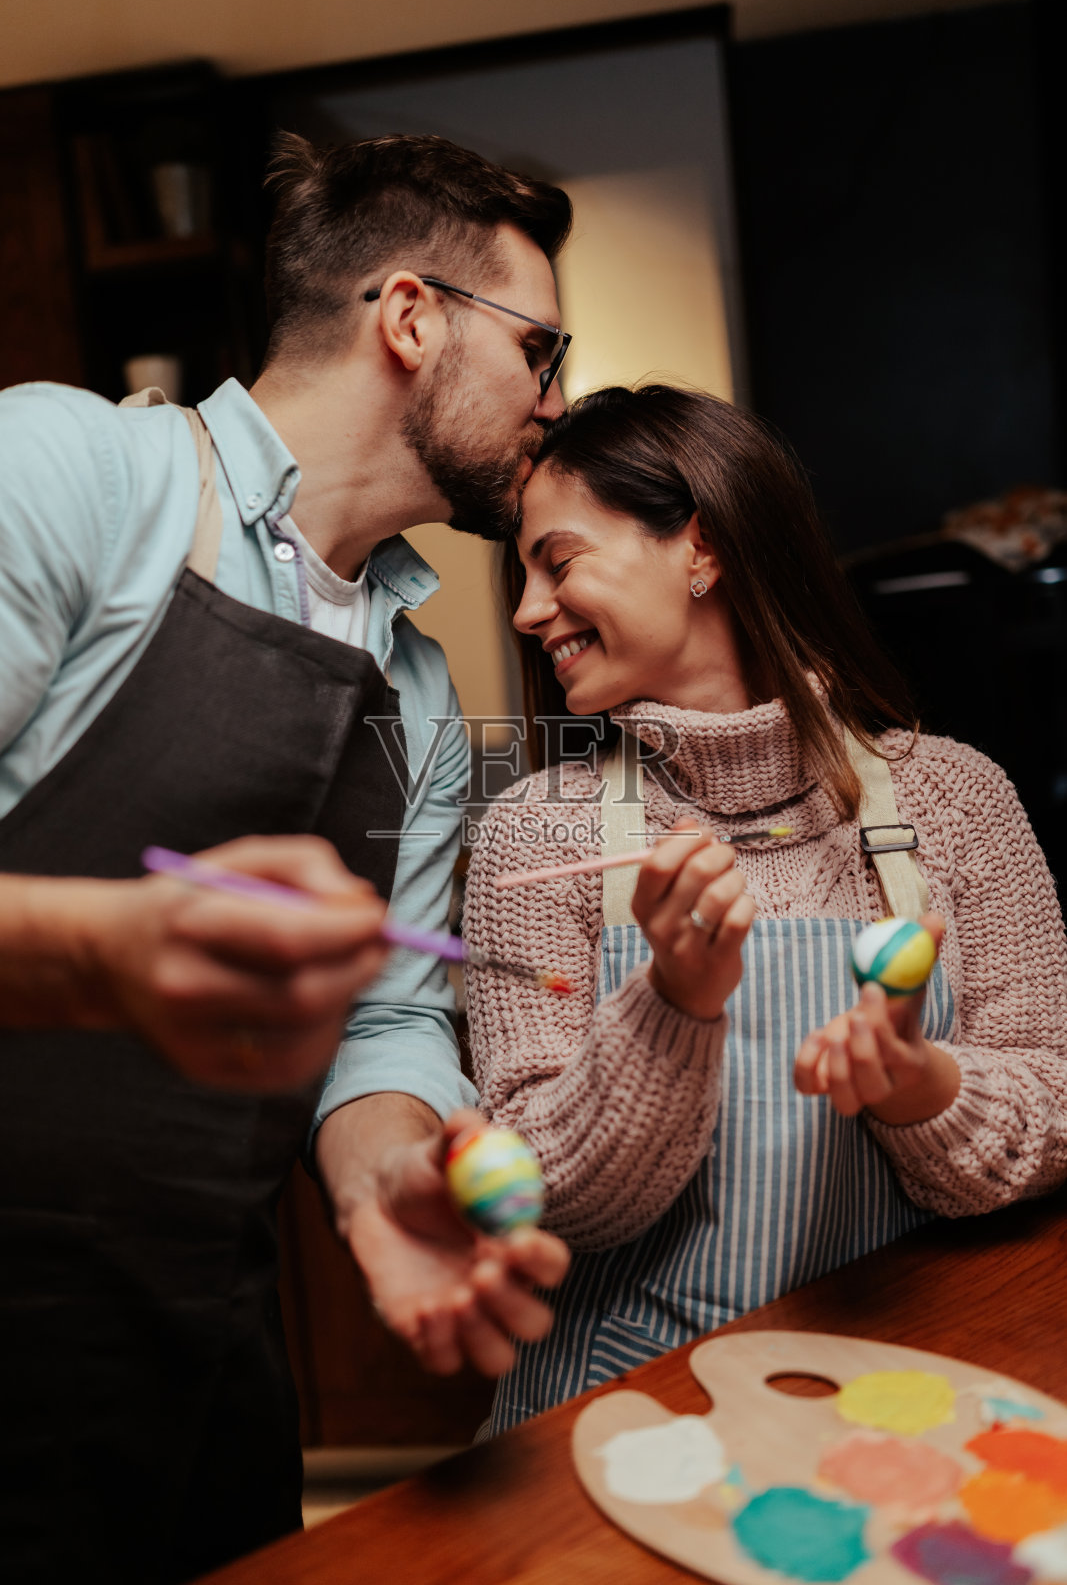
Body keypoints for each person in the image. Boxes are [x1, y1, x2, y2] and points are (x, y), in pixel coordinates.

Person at [0, 132, 574, 1582]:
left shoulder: (427, 698)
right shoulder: (71, 470)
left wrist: (388, 1180)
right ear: (408, 317)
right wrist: (105, 953)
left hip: (194, 1332)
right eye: (541, 351)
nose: (554, 406)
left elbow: (379, 1014)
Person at [462, 383, 1067, 1436]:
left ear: (697, 549)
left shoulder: (956, 799)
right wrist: (672, 1005)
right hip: (631, 1421)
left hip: (901, 1402)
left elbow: (1053, 1110)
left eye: (555, 561)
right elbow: (535, 1193)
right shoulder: (535, 834)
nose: (524, 609)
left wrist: (919, 1085)